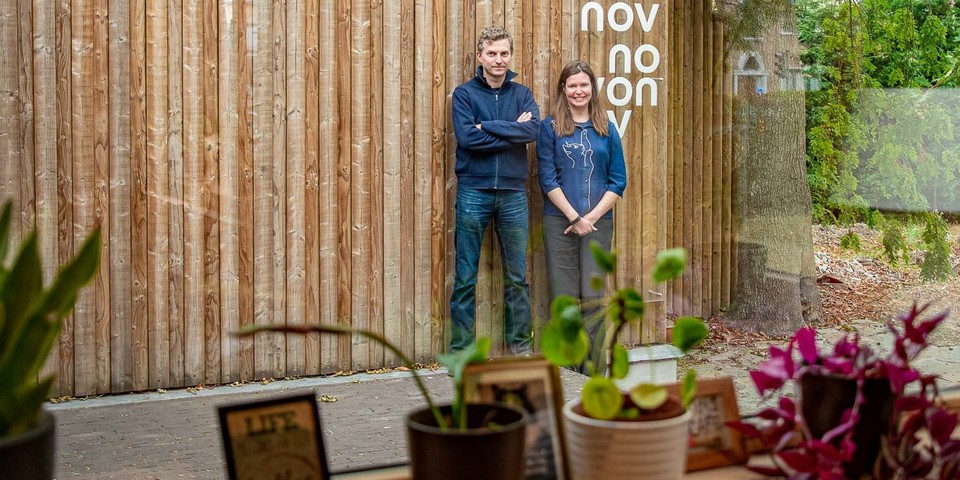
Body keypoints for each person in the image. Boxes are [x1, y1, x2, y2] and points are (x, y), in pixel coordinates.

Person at [449, 26, 540, 355]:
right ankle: (462, 351)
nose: (498, 59)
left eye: (503, 53)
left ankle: (520, 347)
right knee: (465, 277)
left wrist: (486, 126)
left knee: (517, 277)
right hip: (474, 191)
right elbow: (467, 138)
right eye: (492, 53)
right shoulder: (464, 95)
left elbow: (531, 130)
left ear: (510, 56)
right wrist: (511, 129)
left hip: (513, 195)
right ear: (480, 57)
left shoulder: (522, 94)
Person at [537, 60, 627, 368]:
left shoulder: (606, 129)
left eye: (584, 85)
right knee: (563, 301)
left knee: (593, 300)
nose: (579, 90)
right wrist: (574, 217)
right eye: (572, 85)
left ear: (592, 89)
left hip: (598, 226)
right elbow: (548, 179)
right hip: (558, 224)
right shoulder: (549, 128)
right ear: (564, 89)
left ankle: (595, 372)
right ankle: (567, 372)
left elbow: (618, 180)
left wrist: (591, 218)